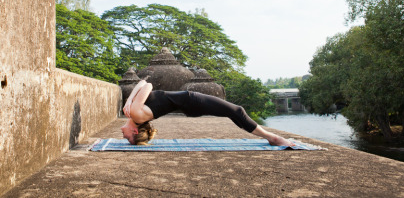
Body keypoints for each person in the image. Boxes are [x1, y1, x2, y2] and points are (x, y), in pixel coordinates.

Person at [121, 79, 295, 146]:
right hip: (192, 101)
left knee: (234, 112)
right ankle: (272, 138)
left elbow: (145, 83)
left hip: (191, 103)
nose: (123, 135)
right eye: (128, 137)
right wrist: (129, 100)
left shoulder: (135, 115)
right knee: (237, 110)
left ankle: (270, 137)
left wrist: (129, 100)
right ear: (135, 131)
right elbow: (147, 84)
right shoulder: (135, 114)